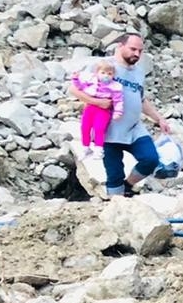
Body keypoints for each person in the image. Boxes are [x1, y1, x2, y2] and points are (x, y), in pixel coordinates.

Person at [69, 33, 172, 197]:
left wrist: (159, 119)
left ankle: (129, 185)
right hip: (108, 131)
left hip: (133, 128)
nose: (137, 54)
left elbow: (141, 99)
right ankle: (116, 207)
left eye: (140, 51)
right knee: (114, 175)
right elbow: (74, 89)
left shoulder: (138, 72)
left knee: (151, 159)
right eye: (133, 49)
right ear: (120, 46)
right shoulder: (102, 65)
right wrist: (97, 103)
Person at [74, 58, 122, 151]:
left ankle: (98, 148)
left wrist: (118, 112)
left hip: (103, 110)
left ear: (113, 75)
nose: (106, 76)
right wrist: (76, 79)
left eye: (109, 74)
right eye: (103, 73)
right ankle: (85, 147)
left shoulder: (114, 86)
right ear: (97, 73)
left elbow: (118, 100)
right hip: (90, 107)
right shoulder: (92, 82)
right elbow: (80, 87)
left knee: (99, 128)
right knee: (85, 127)